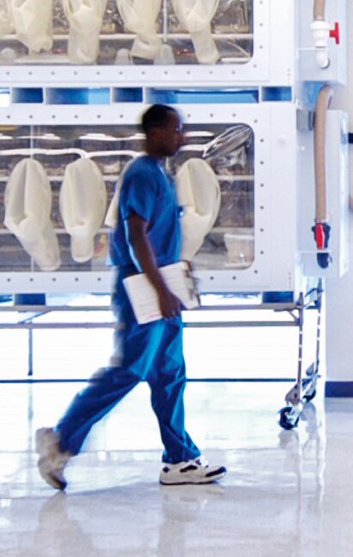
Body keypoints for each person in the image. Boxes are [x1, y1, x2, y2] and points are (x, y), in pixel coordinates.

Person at [36, 104, 226, 489]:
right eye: (176, 129)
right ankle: (62, 439)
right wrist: (160, 289)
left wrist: (177, 273)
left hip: (162, 285)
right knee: (132, 369)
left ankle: (180, 459)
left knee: (170, 374)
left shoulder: (160, 174)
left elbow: (158, 234)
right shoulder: (141, 174)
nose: (182, 136)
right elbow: (136, 235)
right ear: (155, 132)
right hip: (144, 287)